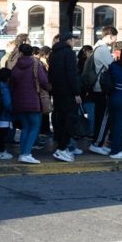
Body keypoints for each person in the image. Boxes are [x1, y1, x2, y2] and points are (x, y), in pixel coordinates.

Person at [10, 43, 48, 164]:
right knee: (35, 127)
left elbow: (13, 82)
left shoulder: (16, 65)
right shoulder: (36, 63)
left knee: (25, 127)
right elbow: (43, 81)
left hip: (19, 100)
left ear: (20, 52)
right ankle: (26, 153)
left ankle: (22, 152)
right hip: (33, 100)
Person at [48, 33, 82, 162]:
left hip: (57, 92)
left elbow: (51, 73)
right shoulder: (69, 53)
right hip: (68, 92)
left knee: (60, 119)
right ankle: (62, 149)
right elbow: (72, 74)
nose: (74, 42)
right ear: (69, 40)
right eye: (73, 40)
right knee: (68, 121)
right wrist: (76, 93)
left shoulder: (54, 53)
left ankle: (62, 147)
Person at [88, 26, 118, 155]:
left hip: (98, 87)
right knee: (103, 118)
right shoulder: (103, 49)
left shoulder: (97, 47)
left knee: (100, 116)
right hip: (102, 87)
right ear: (110, 35)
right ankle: (97, 143)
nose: (116, 39)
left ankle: (98, 142)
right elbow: (112, 67)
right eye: (115, 36)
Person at [0, 68, 14, 161]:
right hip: (4, 117)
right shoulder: (5, 88)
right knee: (2, 135)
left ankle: (0, 151)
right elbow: (7, 104)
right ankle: (1, 152)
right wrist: (14, 110)